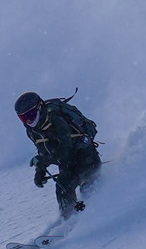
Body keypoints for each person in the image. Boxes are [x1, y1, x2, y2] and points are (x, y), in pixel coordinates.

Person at [14, 90, 101, 219]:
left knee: (84, 189)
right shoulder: (32, 131)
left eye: (30, 115)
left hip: (85, 158)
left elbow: (65, 150)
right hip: (68, 164)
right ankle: (68, 220)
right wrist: (40, 171)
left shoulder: (56, 119)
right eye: (23, 118)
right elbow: (43, 150)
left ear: (39, 107)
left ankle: (95, 216)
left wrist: (43, 161)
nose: (28, 121)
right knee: (63, 187)